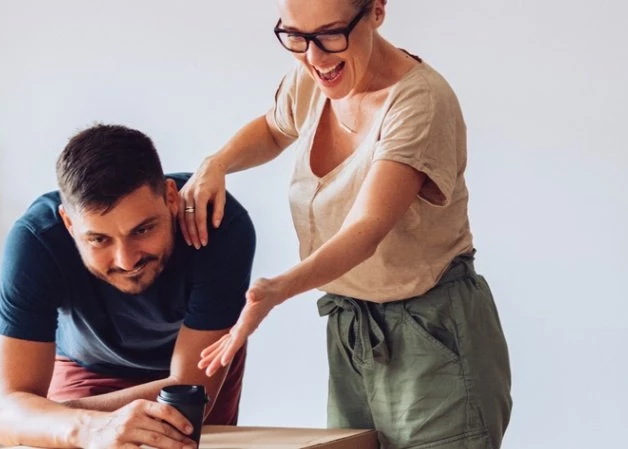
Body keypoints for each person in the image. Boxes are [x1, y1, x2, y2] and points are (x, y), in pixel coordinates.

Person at [180, 0, 511, 447]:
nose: (314, 57)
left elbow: (368, 226)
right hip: (352, 329)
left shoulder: (421, 102)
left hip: (432, 331)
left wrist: (277, 290)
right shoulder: (315, 74)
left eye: (330, 34)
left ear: (376, 11)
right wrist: (216, 163)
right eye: (295, 36)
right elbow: (275, 128)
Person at [0, 124, 257, 449]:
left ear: (171, 198)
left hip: (192, 370)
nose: (126, 260)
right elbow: (10, 405)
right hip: (86, 365)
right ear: (69, 223)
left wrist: (39, 417)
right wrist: (74, 425)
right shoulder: (37, 240)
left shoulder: (218, 224)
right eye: (99, 239)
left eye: (143, 230)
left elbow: (187, 392)